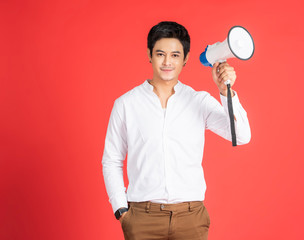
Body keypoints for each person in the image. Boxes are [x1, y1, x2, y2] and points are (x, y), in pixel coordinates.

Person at [102, 21, 251, 240]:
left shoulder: (199, 101)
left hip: (191, 218)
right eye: (161, 54)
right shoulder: (126, 104)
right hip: (143, 218)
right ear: (149, 54)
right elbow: (111, 160)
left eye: (175, 55)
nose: (167, 62)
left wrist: (225, 92)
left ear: (186, 58)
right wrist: (121, 210)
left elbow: (243, 135)